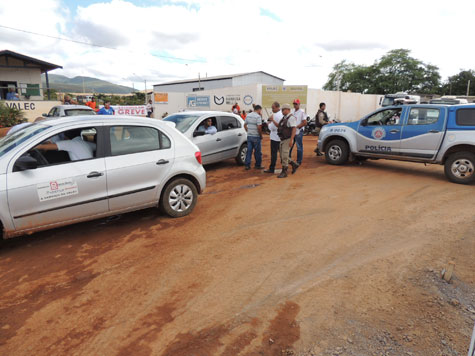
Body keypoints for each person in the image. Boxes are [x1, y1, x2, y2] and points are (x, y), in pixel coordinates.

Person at [268, 104, 298, 178]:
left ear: (288, 110)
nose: (282, 111)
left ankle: (284, 172)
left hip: (287, 139)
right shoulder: (284, 118)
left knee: (284, 156)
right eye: (282, 110)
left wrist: (291, 140)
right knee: (282, 156)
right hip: (283, 139)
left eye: (283, 110)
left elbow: (294, 129)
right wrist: (273, 121)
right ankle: (294, 164)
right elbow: (279, 126)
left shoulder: (291, 118)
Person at [264, 101, 283, 174]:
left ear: (277, 107)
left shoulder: (275, 116)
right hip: (281, 137)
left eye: (273, 108)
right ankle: (285, 167)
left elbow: (271, 128)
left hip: (275, 137)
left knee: (274, 154)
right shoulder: (281, 114)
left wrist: (268, 123)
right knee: (282, 154)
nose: (272, 109)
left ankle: (272, 168)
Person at [244, 104, 263, 170]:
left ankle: (247, 165)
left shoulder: (248, 115)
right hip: (256, 136)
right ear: (259, 110)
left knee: (249, 151)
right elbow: (259, 127)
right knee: (257, 151)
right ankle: (258, 165)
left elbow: (245, 125)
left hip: (249, 136)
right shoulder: (258, 117)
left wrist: (248, 131)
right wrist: (260, 135)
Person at [289, 99, 307, 166]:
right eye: (294, 104)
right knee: (290, 145)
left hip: (299, 131)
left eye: (296, 104)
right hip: (293, 131)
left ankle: (299, 161)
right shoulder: (293, 111)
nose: (295, 105)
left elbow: (305, 122)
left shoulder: (302, 112)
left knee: (299, 147)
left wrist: (297, 127)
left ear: (299, 104)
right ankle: (289, 159)